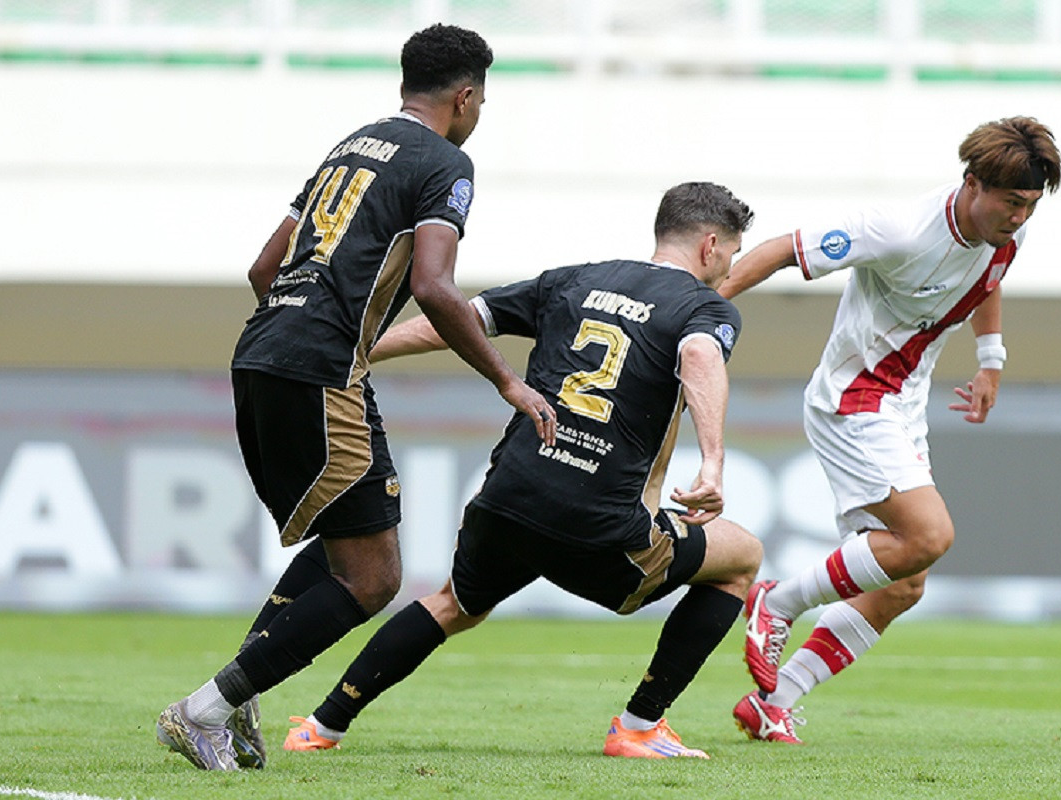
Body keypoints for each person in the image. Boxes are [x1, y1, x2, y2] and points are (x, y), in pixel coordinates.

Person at [155, 24, 556, 772]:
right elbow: (434, 286)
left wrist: (304, 331)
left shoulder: (350, 146)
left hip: (261, 354)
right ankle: (205, 708)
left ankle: (235, 701)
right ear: (466, 96)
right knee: (374, 576)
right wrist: (507, 378)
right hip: (321, 371)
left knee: (352, 540)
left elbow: (262, 266)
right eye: (482, 98)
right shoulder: (446, 162)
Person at [277, 181, 763, 760]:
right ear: (710, 245)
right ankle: (638, 726)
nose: (730, 264)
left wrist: (359, 350)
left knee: (453, 605)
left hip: (507, 499)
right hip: (599, 528)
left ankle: (321, 728)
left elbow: (454, 320)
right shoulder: (707, 309)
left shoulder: (571, 279)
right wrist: (712, 461)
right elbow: (700, 355)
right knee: (743, 558)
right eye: (733, 251)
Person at [721, 117, 1061, 744]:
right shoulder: (899, 229)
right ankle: (777, 602)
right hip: (852, 401)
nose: (1020, 217)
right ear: (973, 183)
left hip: (902, 407)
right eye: (1012, 203)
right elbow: (780, 251)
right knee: (930, 533)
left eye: (1032, 206)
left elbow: (988, 280)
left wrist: (991, 362)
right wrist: (697, 308)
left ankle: (774, 702)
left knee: (905, 581)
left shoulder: (1001, 237)